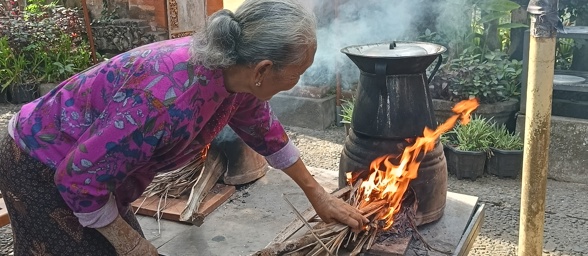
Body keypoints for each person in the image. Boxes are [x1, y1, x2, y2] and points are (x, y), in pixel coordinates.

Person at [0, 0, 369, 255]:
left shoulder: (232, 72)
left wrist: (317, 195)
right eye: (298, 72)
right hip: (38, 163)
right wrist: (129, 245)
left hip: (89, 169)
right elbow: (78, 179)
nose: (300, 80)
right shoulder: (163, 101)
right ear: (262, 70)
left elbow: (263, 129)